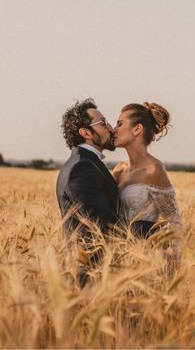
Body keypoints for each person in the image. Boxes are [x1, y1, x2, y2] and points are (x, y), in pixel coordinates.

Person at [56, 98, 120, 287]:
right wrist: (155, 228)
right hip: (89, 275)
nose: (110, 127)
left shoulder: (85, 163)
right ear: (85, 133)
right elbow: (103, 224)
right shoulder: (82, 167)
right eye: (102, 123)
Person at [111, 102, 182, 272]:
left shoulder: (154, 170)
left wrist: (171, 265)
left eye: (120, 124)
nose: (114, 129)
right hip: (118, 256)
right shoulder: (119, 170)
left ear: (137, 129)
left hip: (146, 258)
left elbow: (173, 220)